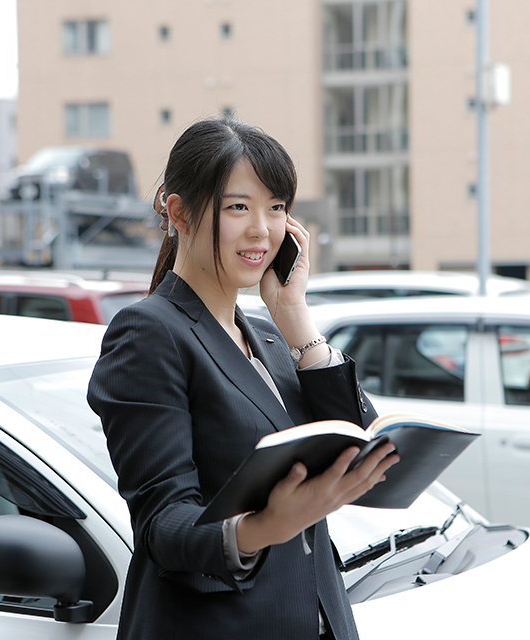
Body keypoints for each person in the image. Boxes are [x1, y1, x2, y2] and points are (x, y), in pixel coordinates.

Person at [87, 118, 398, 640]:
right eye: (238, 207)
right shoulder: (149, 332)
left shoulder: (271, 339)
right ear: (178, 212)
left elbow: (355, 444)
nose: (261, 229)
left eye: (276, 208)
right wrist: (263, 528)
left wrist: (295, 315)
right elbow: (163, 525)